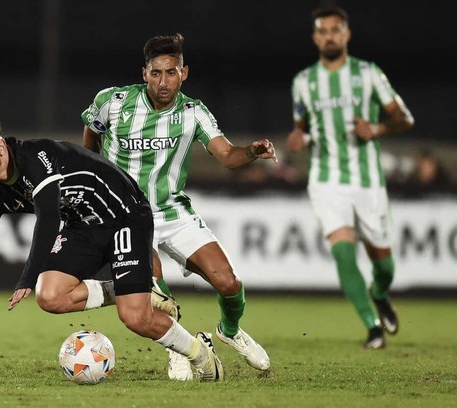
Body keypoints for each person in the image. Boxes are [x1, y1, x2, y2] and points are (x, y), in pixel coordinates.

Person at [0, 111, 224, 381]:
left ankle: (201, 354)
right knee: (49, 296)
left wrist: (25, 277)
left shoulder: (36, 159)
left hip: (124, 215)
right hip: (83, 225)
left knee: (135, 319)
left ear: (0, 146)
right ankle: (130, 288)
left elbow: (47, 219)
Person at [81, 33, 276, 380]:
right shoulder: (113, 101)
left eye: (171, 72)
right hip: (127, 218)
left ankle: (229, 331)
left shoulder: (192, 111)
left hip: (173, 212)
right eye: (156, 73)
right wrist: (96, 181)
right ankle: (181, 349)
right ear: (144, 73)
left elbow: (228, 156)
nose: (163, 81)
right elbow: (89, 138)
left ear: (183, 73)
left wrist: (252, 152)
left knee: (230, 283)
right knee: (156, 290)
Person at [286, 6, 414, 349]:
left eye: (335, 29)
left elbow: (404, 119)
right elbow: (303, 130)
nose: (329, 35)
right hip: (326, 180)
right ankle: (373, 327)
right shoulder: (303, 82)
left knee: (383, 264)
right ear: (315, 37)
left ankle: (380, 292)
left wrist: (377, 128)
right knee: (343, 253)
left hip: (368, 180)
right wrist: (299, 139)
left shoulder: (368, 74)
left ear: (347, 34)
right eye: (323, 31)